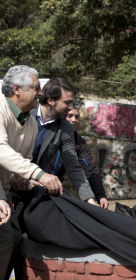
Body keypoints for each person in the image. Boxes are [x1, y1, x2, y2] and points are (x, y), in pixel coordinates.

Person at [0, 65, 63, 279]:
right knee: (7, 237)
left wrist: (26, 180)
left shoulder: (31, 122)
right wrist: (39, 174)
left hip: (4, 190)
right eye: (36, 87)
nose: (40, 93)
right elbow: (1, 150)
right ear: (16, 89)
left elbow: (22, 161)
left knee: (15, 238)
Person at [48, 104, 109, 208]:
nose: (74, 120)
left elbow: (89, 169)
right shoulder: (48, 133)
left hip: (55, 188)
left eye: (77, 117)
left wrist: (100, 195)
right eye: (70, 116)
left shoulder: (79, 143)